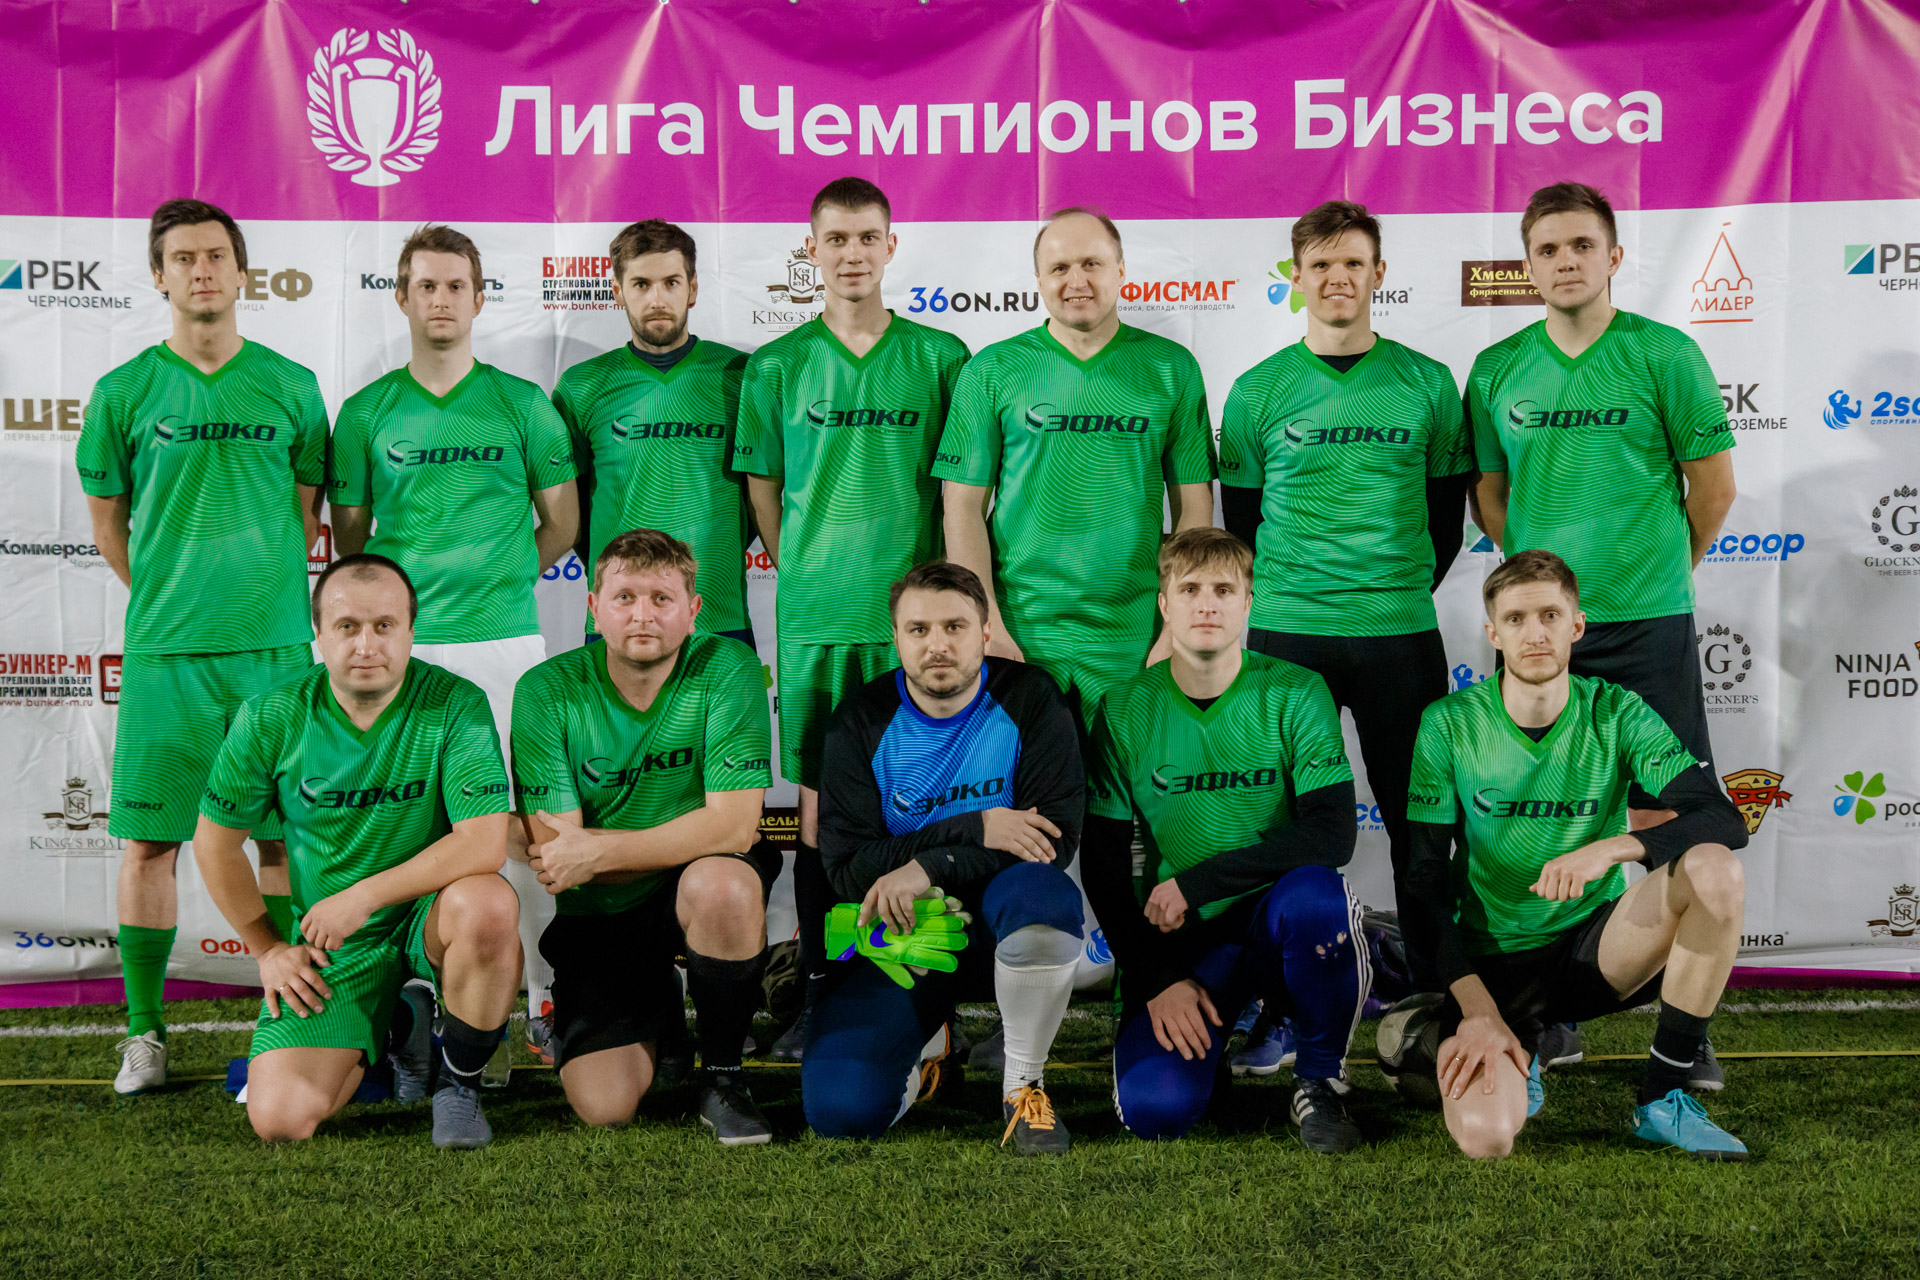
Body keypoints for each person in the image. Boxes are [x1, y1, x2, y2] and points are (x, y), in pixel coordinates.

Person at [1465, 182, 1738, 1080]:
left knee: (1667, 818)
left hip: (1649, 620)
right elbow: (1491, 494)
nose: (1565, 261)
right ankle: (1549, 1008)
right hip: (1546, 635)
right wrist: (1541, 591)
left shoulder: (1665, 354)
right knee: (1540, 815)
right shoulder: (1497, 369)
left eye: (1582, 245)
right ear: (1528, 264)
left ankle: (1683, 1018)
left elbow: (1714, 488)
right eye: (1547, 249)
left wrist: (1658, 571)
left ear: (1614, 256)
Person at [78, 198, 327, 1093]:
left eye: (217, 255)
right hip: (166, 657)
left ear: (243, 270)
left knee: (285, 841)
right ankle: (143, 1032)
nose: (202, 270)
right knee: (151, 845)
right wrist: (173, 599)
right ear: (159, 275)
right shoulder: (123, 393)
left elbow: (304, 515)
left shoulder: (293, 385)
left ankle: (289, 1016)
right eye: (183, 258)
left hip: (275, 655)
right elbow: (109, 527)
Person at [1218, 200, 1471, 1067]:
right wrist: (1308, 598)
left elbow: (1445, 524)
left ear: (1378, 275)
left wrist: (1383, 594)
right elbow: (1242, 525)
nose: (1337, 278)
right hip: (1288, 639)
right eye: (1320, 264)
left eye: (1353, 263)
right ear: (1296, 278)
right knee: (1280, 826)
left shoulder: (1428, 384)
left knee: (1421, 826)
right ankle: (1280, 1004)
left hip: (1400, 635)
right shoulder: (1257, 390)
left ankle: (1436, 1000)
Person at [1394, 549, 1749, 1160]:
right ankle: (1511, 1042)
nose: (1535, 633)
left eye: (1550, 616)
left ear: (1576, 626)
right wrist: (1476, 1009)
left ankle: (1662, 1098)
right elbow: (1423, 875)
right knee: (1486, 1138)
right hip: (1495, 966)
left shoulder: (1617, 711)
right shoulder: (1449, 724)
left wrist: (1613, 849)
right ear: (1494, 634)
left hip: (1596, 950)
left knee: (1716, 869)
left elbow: (1723, 818)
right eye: (1516, 619)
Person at [328, 223, 580, 1073]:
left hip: (507, 646)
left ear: (478, 298)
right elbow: (353, 544)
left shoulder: (522, 404)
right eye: (426, 286)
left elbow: (562, 525)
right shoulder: (365, 413)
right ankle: (414, 1011)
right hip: (405, 660)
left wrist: (496, 581)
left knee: (527, 828)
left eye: (455, 286)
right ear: (401, 297)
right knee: (405, 827)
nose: (441, 300)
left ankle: (546, 1001)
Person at [732, 177, 971, 1061]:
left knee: (922, 805)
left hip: (918, 627)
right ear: (812, 249)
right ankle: (820, 989)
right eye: (835, 239)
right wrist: (806, 567)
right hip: (816, 621)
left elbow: (960, 489)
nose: (852, 253)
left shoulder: (942, 356)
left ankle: (927, 994)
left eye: (867, 237)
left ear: (891, 245)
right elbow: (763, 490)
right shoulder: (775, 365)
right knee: (817, 813)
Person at [191, 555, 521, 1147]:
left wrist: (364, 896)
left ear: (411, 631)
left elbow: (484, 842)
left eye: (384, 626)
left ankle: (458, 1085)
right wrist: (268, 950)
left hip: (427, 916)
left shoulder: (455, 703)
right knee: (281, 1120)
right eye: (347, 627)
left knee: (488, 904)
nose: (367, 645)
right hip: (338, 941)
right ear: (317, 633)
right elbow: (215, 845)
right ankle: (398, 1024)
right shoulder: (270, 716)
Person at [1082, 529, 1370, 1153]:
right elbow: (1103, 868)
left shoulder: (1296, 690)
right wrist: (1158, 977)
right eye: (1190, 590)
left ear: (1248, 602)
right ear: (1164, 604)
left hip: (1273, 924)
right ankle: (1207, 1049)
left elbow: (1332, 833)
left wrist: (1198, 882)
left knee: (1319, 897)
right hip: (1183, 947)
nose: (1207, 604)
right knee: (1158, 1111)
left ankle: (1319, 1078)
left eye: (1223, 589)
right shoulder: (1124, 708)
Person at [803, 562, 1086, 1154]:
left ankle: (1023, 1085)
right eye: (919, 629)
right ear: (896, 638)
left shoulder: (1030, 699)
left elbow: (1049, 843)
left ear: (985, 632)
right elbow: (848, 868)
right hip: (904, 934)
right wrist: (976, 826)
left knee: (1042, 894)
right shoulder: (859, 721)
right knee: (840, 1110)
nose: (937, 645)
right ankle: (930, 1047)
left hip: (1001, 925)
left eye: (954, 627)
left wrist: (929, 866)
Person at [512, 529, 780, 1145]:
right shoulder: (546, 690)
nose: (642, 615)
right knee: (605, 1107)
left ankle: (723, 1076)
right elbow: (561, 857)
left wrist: (601, 850)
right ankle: (661, 1010)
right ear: (593, 608)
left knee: (722, 884)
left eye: (662, 598)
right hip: (601, 912)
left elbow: (736, 826)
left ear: (693, 610)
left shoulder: (728, 666)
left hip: (693, 882)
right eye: (625, 597)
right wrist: (655, 845)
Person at [937, 205, 1216, 727]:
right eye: (1060, 268)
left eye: (1092, 264)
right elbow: (962, 507)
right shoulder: (992, 370)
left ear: (1121, 270)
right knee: (1026, 781)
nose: (1077, 281)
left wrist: (1178, 625)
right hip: (1021, 632)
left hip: (1133, 634)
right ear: (1038, 279)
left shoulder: (1172, 367)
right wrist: (985, 621)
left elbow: (1194, 508)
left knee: (1131, 781)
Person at [553, 219, 754, 648]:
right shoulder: (582, 386)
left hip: (717, 610)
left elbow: (761, 499)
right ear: (618, 290)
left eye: (671, 283)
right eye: (641, 284)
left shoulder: (741, 376)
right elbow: (569, 515)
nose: (657, 299)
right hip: (617, 618)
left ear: (692, 289)